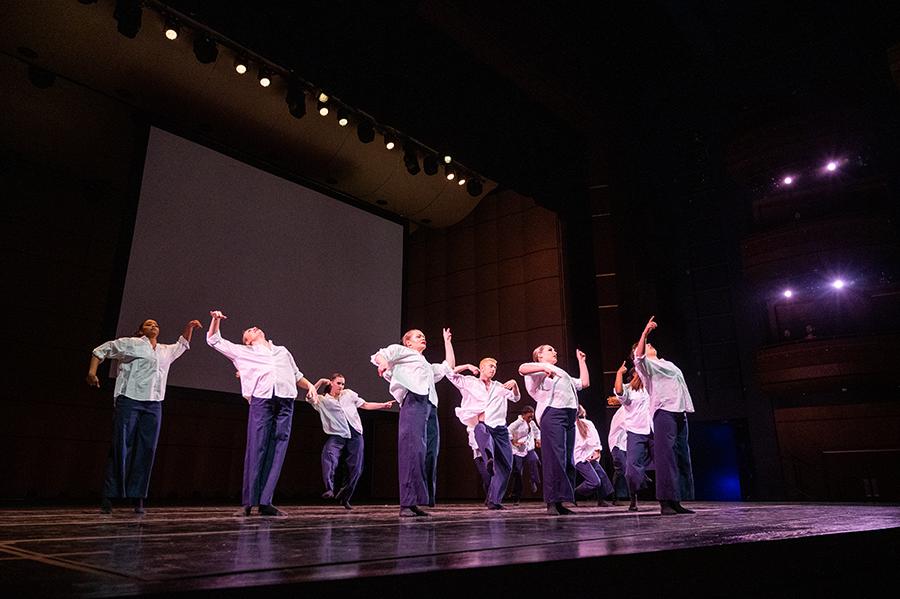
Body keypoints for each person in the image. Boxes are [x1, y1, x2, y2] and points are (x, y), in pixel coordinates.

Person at [206, 310, 316, 517]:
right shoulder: (243, 352)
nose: (253, 328)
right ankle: (248, 502)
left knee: (278, 450)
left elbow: (296, 375)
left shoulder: (282, 351)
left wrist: (310, 386)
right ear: (248, 341)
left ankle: (266, 501)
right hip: (262, 400)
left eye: (253, 327)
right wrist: (215, 320)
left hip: (286, 402)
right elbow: (213, 340)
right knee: (257, 446)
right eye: (249, 330)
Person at [87, 317, 202, 514]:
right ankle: (110, 495)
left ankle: (138, 496)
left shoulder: (165, 350)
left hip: (154, 403)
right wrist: (92, 372)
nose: (154, 326)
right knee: (122, 446)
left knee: (147, 449)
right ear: (140, 330)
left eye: (156, 324)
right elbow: (100, 351)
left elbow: (182, 345)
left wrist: (189, 327)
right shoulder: (130, 343)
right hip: (129, 400)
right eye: (149, 324)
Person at [371, 328, 456, 517]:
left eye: (423, 336)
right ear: (408, 342)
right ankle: (407, 503)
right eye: (418, 336)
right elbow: (381, 354)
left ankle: (416, 501)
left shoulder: (425, 364)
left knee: (429, 453)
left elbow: (447, 366)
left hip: (430, 405)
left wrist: (447, 341)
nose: (422, 337)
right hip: (413, 402)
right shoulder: (402, 352)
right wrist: (384, 362)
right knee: (412, 449)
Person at [633, 316, 695, 515]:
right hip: (664, 411)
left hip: (679, 411)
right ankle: (666, 502)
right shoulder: (646, 367)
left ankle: (677, 500)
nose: (650, 345)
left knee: (680, 455)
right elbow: (639, 357)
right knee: (665, 456)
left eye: (649, 343)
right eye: (646, 344)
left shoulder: (666, 363)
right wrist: (644, 334)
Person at [519, 345, 589, 516]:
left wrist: (582, 361)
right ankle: (551, 501)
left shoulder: (561, 373)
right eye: (550, 350)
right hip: (553, 414)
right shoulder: (538, 369)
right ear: (539, 356)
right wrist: (543, 367)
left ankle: (560, 501)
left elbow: (584, 383)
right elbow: (521, 369)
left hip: (568, 416)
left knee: (566, 459)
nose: (555, 352)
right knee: (554, 457)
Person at [307, 373, 393, 509]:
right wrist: (319, 382)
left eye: (343, 384)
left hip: (355, 433)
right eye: (338, 383)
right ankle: (329, 489)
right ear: (331, 383)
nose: (341, 386)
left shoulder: (349, 394)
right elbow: (310, 397)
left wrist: (382, 405)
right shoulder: (323, 400)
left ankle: (345, 497)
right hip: (337, 434)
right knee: (329, 456)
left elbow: (365, 405)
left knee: (356, 467)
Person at [445, 358, 520, 509]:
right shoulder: (470, 382)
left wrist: (515, 384)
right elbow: (450, 373)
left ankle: (494, 501)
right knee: (481, 431)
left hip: (500, 429)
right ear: (482, 368)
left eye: (495, 367)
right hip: (482, 425)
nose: (493, 369)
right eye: (490, 366)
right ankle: (489, 457)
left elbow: (516, 398)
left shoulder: (499, 386)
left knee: (506, 466)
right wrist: (466, 364)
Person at [611, 360, 655, 512]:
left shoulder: (651, 386)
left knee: (663, 462)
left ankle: (670, 499)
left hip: (654, 430)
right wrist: (618, 374)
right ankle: (633, 498)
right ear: (635, 374)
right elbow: (619, 392)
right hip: (636, 431)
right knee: (631, 469)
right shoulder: (629, 389)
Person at [573, 404, 615, 506]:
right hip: (581, 458)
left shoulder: (586, 424)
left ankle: (601, 500)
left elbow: (594, 439)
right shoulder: (574, 425)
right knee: (595, 482)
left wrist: (596, 451)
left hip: (589, 455)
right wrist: (596, 451)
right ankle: (573, 493)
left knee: (602, 476)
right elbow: (590, 441)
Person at [508, 405, 541, 503]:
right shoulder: (517, 423)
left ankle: (533, 480)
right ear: (523, 415)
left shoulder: (531, 423)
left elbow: (537, 432)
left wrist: (538, 439)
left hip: (528, 448)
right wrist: (514, 442)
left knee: (535, 460)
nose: (530, 419)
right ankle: (516, 496)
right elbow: (508, 431)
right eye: (528, 417)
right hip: (518, 451)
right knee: (518, 473)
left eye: (532, 416)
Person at [606, 401, 630, 504]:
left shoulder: (628, 411)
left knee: (623, 470)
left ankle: (619, 496)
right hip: (617, 445)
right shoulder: (622, 411)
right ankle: (616, 497)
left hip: (624, 446)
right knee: (621, 469)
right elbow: (627, 426)